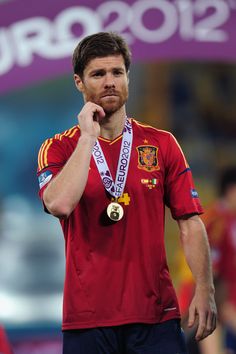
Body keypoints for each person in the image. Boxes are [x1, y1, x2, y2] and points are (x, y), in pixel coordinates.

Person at [37, 31, 217, 354]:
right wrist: (87, 138)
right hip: (87, 320)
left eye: (117, 72)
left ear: (128, 78)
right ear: (79, 82)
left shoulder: (161, 144)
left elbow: (190, 224)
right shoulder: (59, 148)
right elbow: (60, 203)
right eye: (98, 74)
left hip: (155, 317)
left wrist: (205, 289)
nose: (109, 82)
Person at [200, 166, 236, 354]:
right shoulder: (216, 219)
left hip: (226, 297)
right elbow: (209, 269)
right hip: (214, 297)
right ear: (231, 190)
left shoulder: (230, 218)